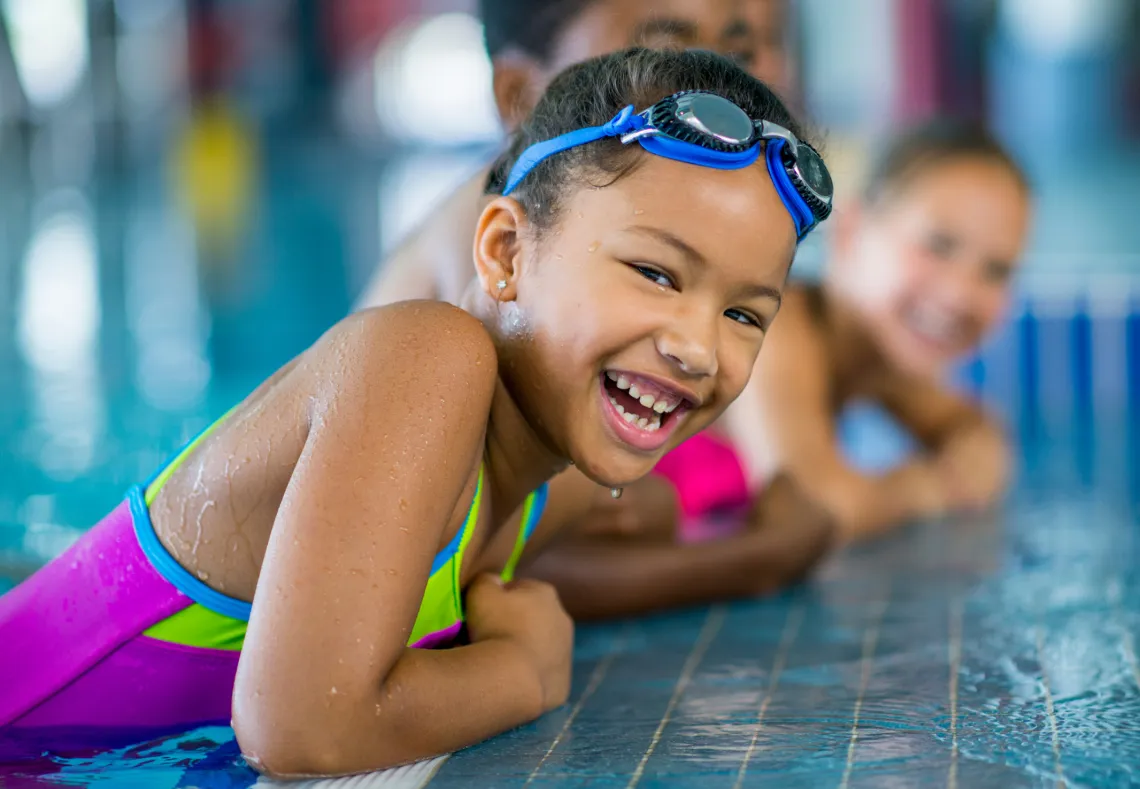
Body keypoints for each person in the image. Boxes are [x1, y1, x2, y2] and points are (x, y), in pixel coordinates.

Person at [0, 48, 831, 777]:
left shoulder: (558, 479)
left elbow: (621, 532)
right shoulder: (427, 357)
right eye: (655, 272)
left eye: (745, 314)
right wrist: (527, 672)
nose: (698, 347)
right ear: (505, 253)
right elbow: (299, 725)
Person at [627, 119, 1031, 544]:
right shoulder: (777, 327)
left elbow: (975, 433)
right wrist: (929, 488)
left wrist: (961, 460)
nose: (959, 293)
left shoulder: (880, 360)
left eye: (996, 270)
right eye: (938, 246)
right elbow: (815, 508)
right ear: (852, 230)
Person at [355, 0, 793, 311]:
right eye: (667, 59)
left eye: (736, 57)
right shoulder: (480, 260)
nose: (724, 95)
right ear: (521, 97)